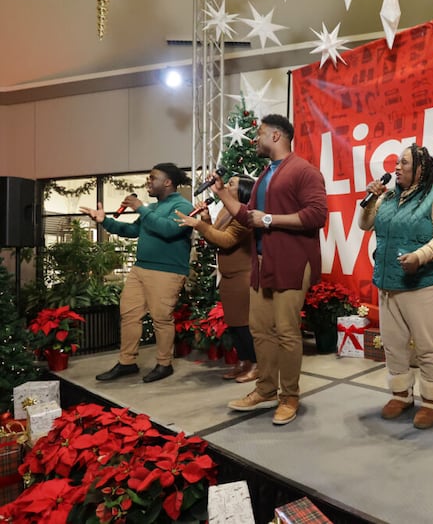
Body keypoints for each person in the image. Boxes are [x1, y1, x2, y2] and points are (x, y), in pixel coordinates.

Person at [210, 114, 328, 426]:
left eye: (260, 133)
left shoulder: (304, 171)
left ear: (276, 136)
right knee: (260, 329)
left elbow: (317, 215)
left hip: (292, 262)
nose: (256, 139)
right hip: (262, 262)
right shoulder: (266, 174)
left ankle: (289, 396)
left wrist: (269, 219)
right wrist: (222, 193)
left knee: (287, 332)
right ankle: (265, 389)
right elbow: (249, 216)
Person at [359, 144, 433, 429]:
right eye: (396, 163)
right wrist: (370, 200)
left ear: (421, 168)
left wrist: (420, 257)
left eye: (404, 163)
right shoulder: (388, 197)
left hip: (426, 283)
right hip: (389, 282)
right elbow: (365, 224)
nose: (397, 168)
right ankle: (400, 394)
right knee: (393, 344)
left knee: (427, 346)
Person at [81, 163, 194, 383]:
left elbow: (169, 230)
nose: (148, 182)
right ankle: (127, 362)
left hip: (166, 272)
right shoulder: (152, 208)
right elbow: (133, 231)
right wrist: (105, 221)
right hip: (140, 268)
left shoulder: (183, 205)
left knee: (161, 319)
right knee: (129, 314)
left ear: (167, 182)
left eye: (153, 178)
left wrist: (141, 208)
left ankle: (164, 364)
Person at [174, 174, 258, 383]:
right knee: (234, 323)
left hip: (242, 276)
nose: (226, 185)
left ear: (243, 191)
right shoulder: (225, 210)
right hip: (228, 276)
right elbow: (214, 238)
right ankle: (243, 361)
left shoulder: (245, 214)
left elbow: (227, 240)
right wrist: (205, 219)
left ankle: (257, 365)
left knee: (244, 324)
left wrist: (198, 225)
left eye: (231, 184)